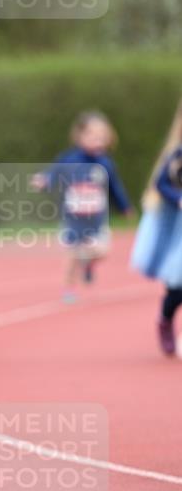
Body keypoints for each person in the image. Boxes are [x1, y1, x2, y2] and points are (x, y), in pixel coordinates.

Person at [31, 111, 131, 302]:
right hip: (73, 219)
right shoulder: (69, 159)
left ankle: (88, 264)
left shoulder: (105, 163)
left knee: (102, 251)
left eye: (101, 137)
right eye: (92, 136)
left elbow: (115, 187)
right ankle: (69, 289)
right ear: (79, 136)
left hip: (96, 220)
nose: (97, 141)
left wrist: (124, 206)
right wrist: (45, 181)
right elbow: (54, 174)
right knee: (72, 255)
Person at [130, 100, 182, 356]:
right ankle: (165, 318)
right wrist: (178, 198)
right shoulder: (178, 156)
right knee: (178, 287)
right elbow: (161, 184)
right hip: (178, 232)